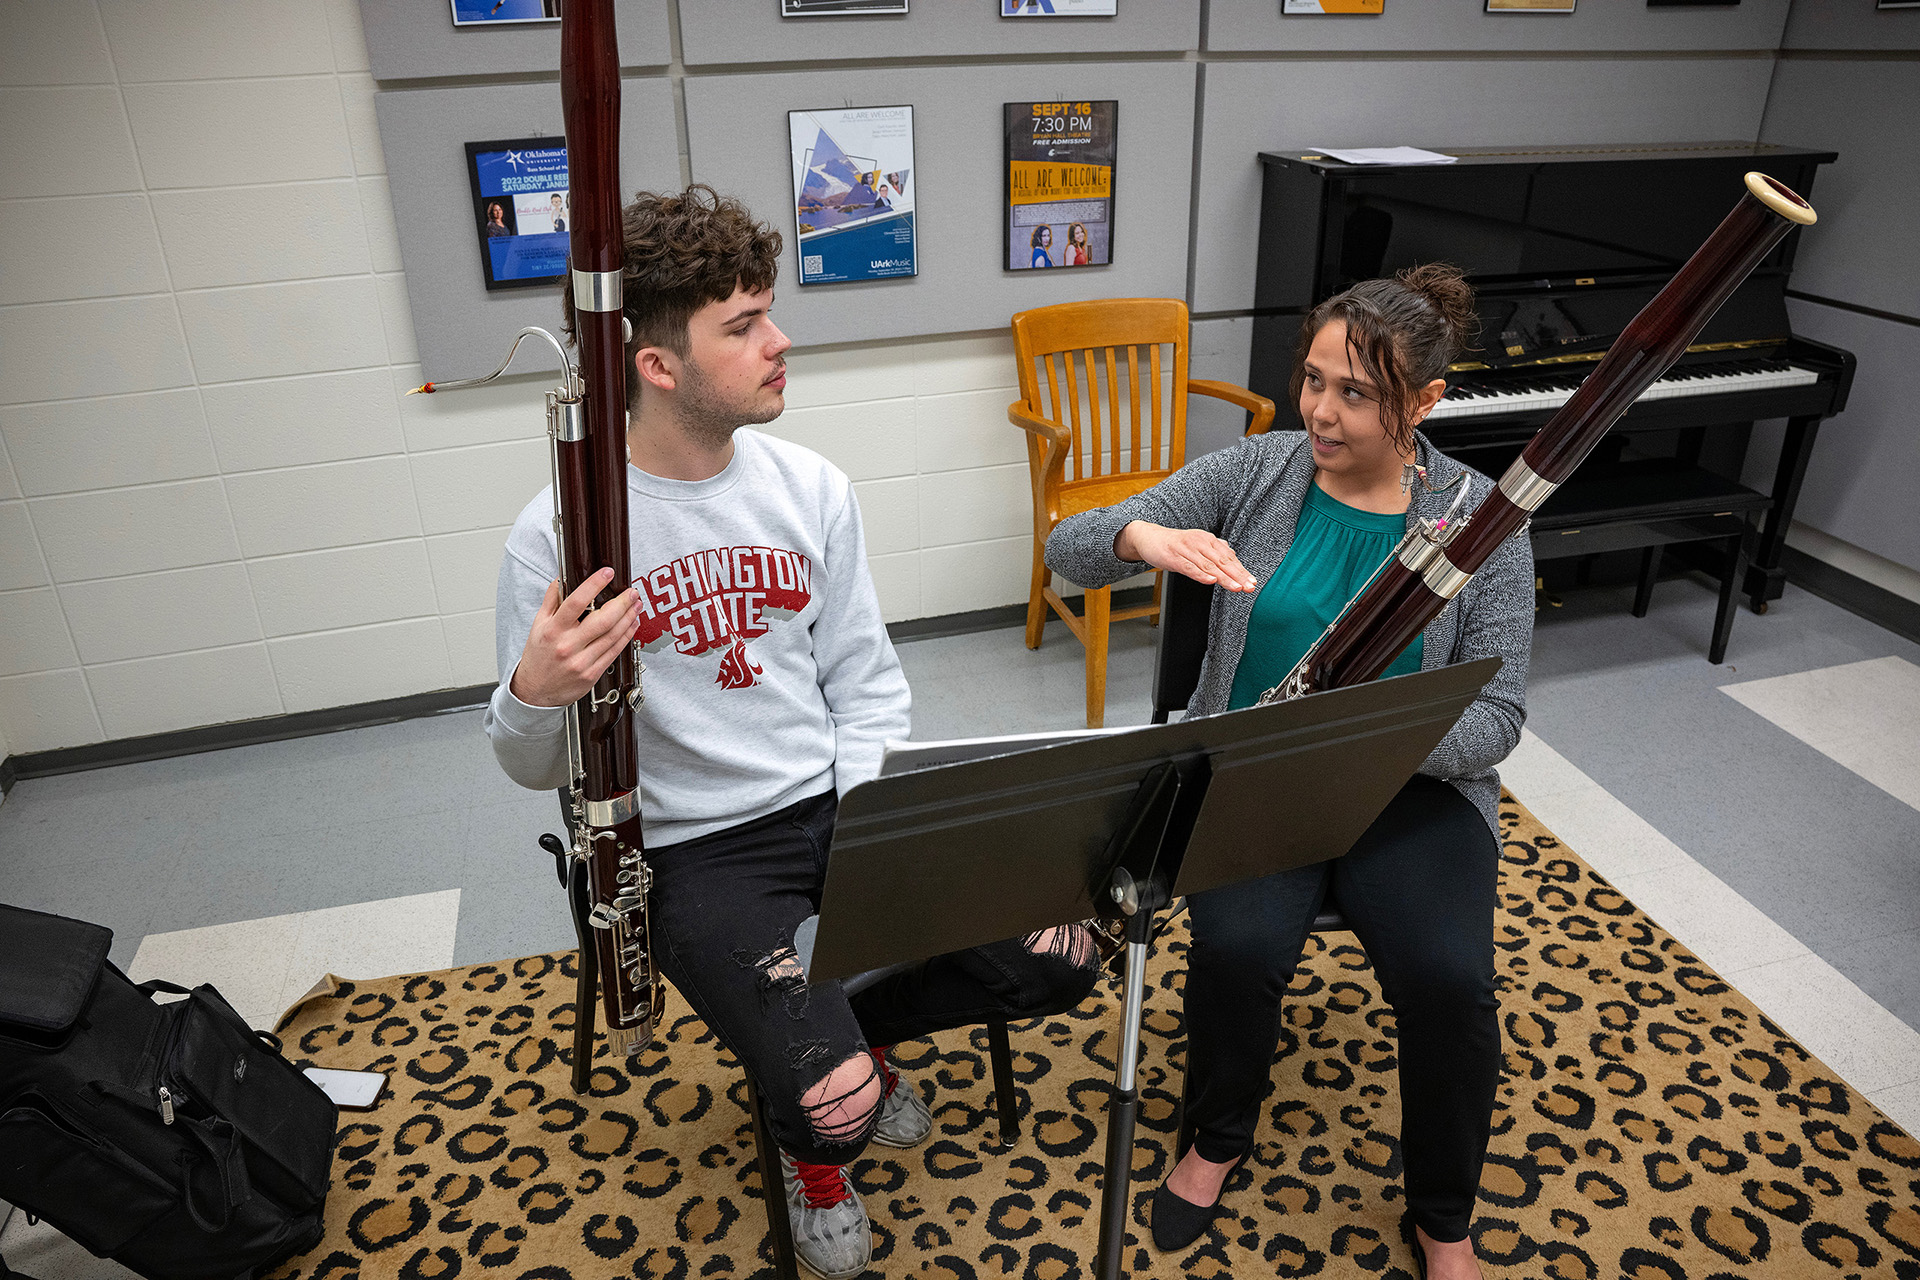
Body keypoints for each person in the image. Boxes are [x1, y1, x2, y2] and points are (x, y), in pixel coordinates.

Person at [485, 185, 1099, 1280]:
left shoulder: (811, 487)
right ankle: (826, 1108)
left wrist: (873, 821)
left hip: (837, 801)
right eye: (744, 325)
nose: (779, 343)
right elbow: (532, 768)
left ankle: (842, 1030)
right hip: (694, 851)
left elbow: (866, 682)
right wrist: (535, 689)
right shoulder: (557, 534)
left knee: (1063, 951)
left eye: (770, 312)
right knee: (835, 1106)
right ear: (660, 365)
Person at [1045, 263, 1529, 1280]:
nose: (1320, 409)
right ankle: (1216, 1135)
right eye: (1314, 379)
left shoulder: (1485, 521)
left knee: (1450, 980)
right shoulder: (1256, 470)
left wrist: (1363, 736)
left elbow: (1495, 721)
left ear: (1425, 402)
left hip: (1414, 792)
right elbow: (1069, 548)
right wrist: (1142, 533)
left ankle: (1445, 1213)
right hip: (1254, 778)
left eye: (1356, 393)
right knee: (1235, 948)